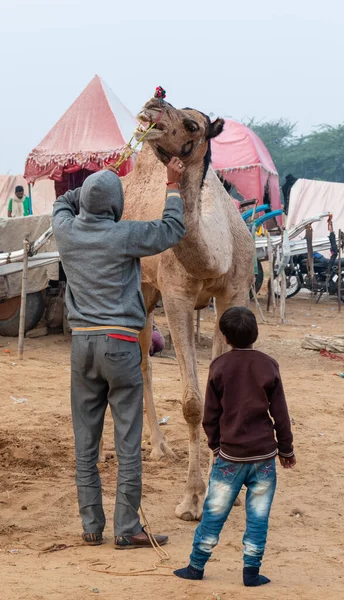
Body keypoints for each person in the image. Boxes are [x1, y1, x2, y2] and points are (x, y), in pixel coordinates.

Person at [52, 158, 186, 549]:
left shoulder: (65, 230)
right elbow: (173, 229)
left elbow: (64, 201)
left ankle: (91, 526)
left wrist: (91, 187)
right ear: (115, 205)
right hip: (123, 346)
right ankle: (127, 528)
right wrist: (174, 186)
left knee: (85, 443)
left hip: (82, 347)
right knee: (127, 443)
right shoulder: (124, 235)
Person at [174, 306, 296, 586]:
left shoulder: (219, 367)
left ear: (225, 338)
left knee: (214, 513)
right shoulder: (269, 365)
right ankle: (251, 573)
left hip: (229, 457)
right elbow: (281, 414)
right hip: (264, 457)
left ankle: (196, 566)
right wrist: (286, 451)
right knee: (258, 518)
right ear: (256, 334)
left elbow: (210, 416)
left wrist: (216, 447)